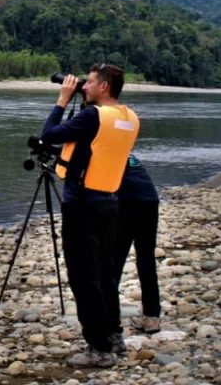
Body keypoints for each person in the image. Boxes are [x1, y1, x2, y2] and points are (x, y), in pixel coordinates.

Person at [40, 64, 140, 368]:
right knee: (105, 274)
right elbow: (92, 144)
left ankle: (98, 349)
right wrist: (83, 99)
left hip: (83, 205)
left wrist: (61, 99)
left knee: (84, 278)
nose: (85, 86)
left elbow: (49, 136)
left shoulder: (92, 116)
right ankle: (114, 336)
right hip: (110, 202)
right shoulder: (130, 118)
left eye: (91, 82)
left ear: (104, 87)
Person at [114, 154, 162, 334]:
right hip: (150, 200)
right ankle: (152, 317)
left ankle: (109, 318)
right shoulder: (128, 154)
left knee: (115, 259)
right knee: (146, 260)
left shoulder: (103, 151)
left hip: (127, 201)